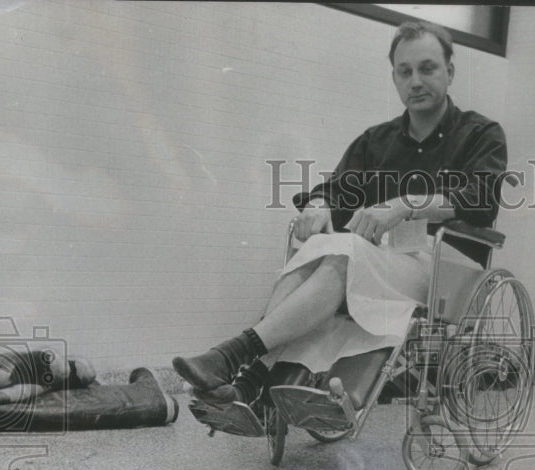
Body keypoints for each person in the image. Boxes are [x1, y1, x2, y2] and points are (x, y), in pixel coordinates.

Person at [173, 19, 508, 436]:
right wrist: (316, 205)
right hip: (381, 264)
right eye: (405, 72)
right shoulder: (378, 140)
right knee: (320, 246)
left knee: (346, 251)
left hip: (442, 269)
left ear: (450, 72)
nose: (415, 81)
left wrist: (404, 205)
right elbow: (336, 189)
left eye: (427, 68)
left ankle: (238, 360)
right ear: (394, 78)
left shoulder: (480, 134)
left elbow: (481, 196)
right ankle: (250, 380)